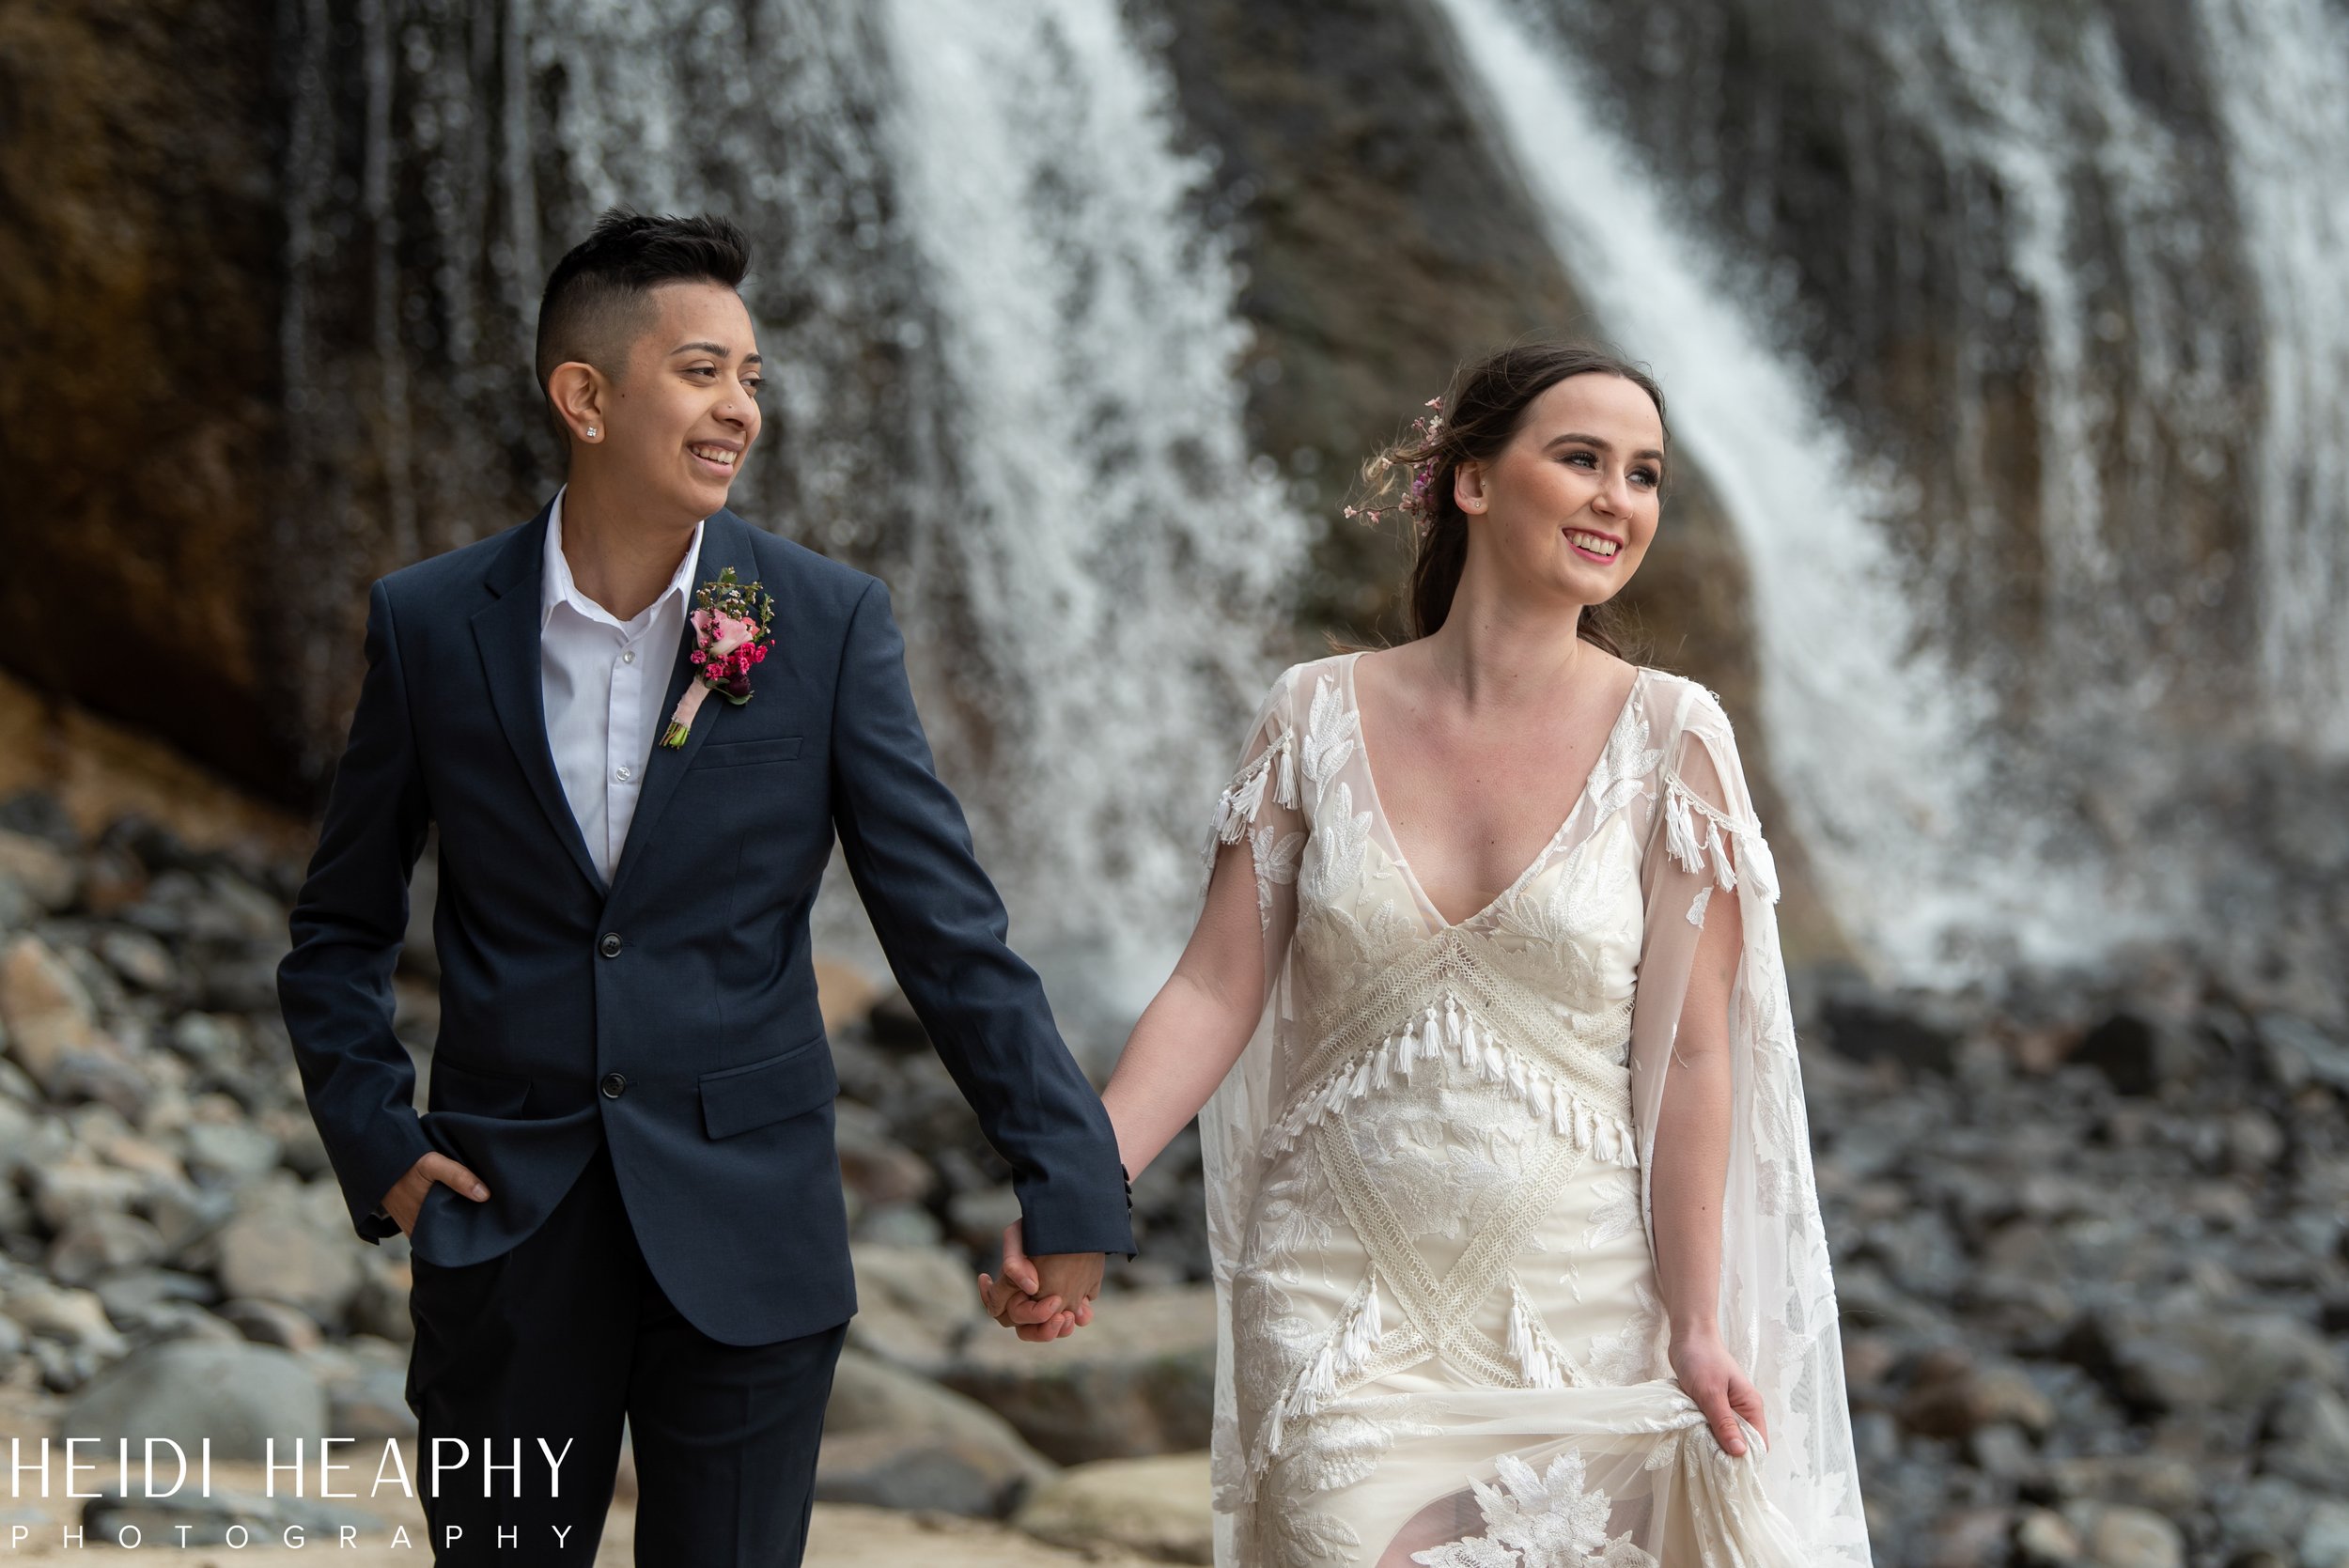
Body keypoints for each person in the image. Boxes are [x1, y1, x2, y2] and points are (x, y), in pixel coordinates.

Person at [277, 209, 1131, 1565]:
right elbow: (336, 929)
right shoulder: (432, 622)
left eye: (752, 378)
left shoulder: (828, 620)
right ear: (586, 395)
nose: (739, 407)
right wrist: (382, 1153)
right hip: (502, 1229)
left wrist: (1067, 1176)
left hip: (751, 1238)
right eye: (702, 370)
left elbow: (947, 926)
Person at [986, 344, 1871, 1565]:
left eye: (1647, 474)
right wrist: (1083, 1178)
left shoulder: (1675, 738)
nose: (1619, 497)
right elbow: (1213, 985)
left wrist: (1699, 1321)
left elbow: (1701, 1054)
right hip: (1335, 1303)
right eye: (1581, 459)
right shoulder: (1312, 715)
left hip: (1581, 1306)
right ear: (1471, 481)